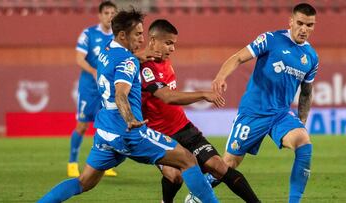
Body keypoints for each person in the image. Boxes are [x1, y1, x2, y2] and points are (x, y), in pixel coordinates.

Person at [38, 9, 219, 203]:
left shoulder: (106, 50)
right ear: (123, 35)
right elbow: (121, 94)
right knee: (187, 160)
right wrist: (130, 119)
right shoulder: (128, 61)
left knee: (84, 182)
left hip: (105, 130)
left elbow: (123, 60)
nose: (142, 39)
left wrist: (140, 55)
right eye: (138, 34)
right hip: (127, 130)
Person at [208, 3, 318, 203]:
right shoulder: (271, 39)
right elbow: (238, 57)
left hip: (281, 114)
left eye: (309, 25)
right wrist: (220, 77)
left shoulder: (311, 57)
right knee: (228, 164)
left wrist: (301, 121)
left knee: (304, 142)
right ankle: (199, 192)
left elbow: (306, 92)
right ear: (291, 21)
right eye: (300, 23)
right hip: (254, 112)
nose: (304, 29)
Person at [141, 19, 260, 203]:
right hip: (159, 135)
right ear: (152, 40)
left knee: (218, 166)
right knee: (175, 176)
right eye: (168, 43)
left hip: (183, 128)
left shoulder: (164, 60)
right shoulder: (144, 68)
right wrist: (204, 94)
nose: (172, 48)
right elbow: (167, 97)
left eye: (174, 44)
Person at [68, 1, 117, 177]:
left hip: (108, 89)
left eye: (113, 13)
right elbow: (79, 59)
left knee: (106, 127)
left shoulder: (118, 36)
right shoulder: (88, 34)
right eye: (106, 13)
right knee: (82, 126)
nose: (110, 16)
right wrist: (93, 71)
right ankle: (72, 162)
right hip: (89, 88)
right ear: (100, 15)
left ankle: (105, 164)